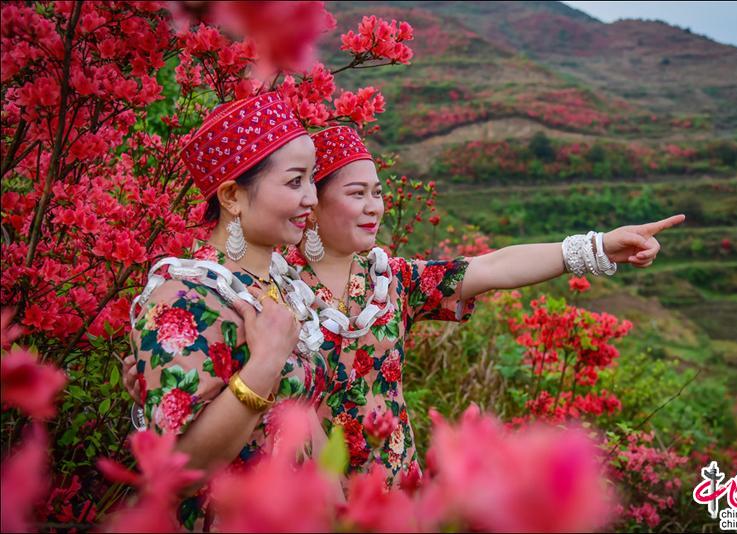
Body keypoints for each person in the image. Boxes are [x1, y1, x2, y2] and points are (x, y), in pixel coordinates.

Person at [127, 124, 685, 490]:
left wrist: (595, 247)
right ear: (314, 203)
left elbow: (488, 268)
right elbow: (193, 436)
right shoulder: (260, 284)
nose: (375, 207)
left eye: (379, 192)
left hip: (389, 485)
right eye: (356, 193)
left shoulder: (386, 281)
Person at [128, 92, 330, 531]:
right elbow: (179, 472)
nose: (312, 197)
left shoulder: (280, 286)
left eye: (312, 180)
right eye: (295, 182)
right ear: (233, 196)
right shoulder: (183, 299)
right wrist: (264, 367)